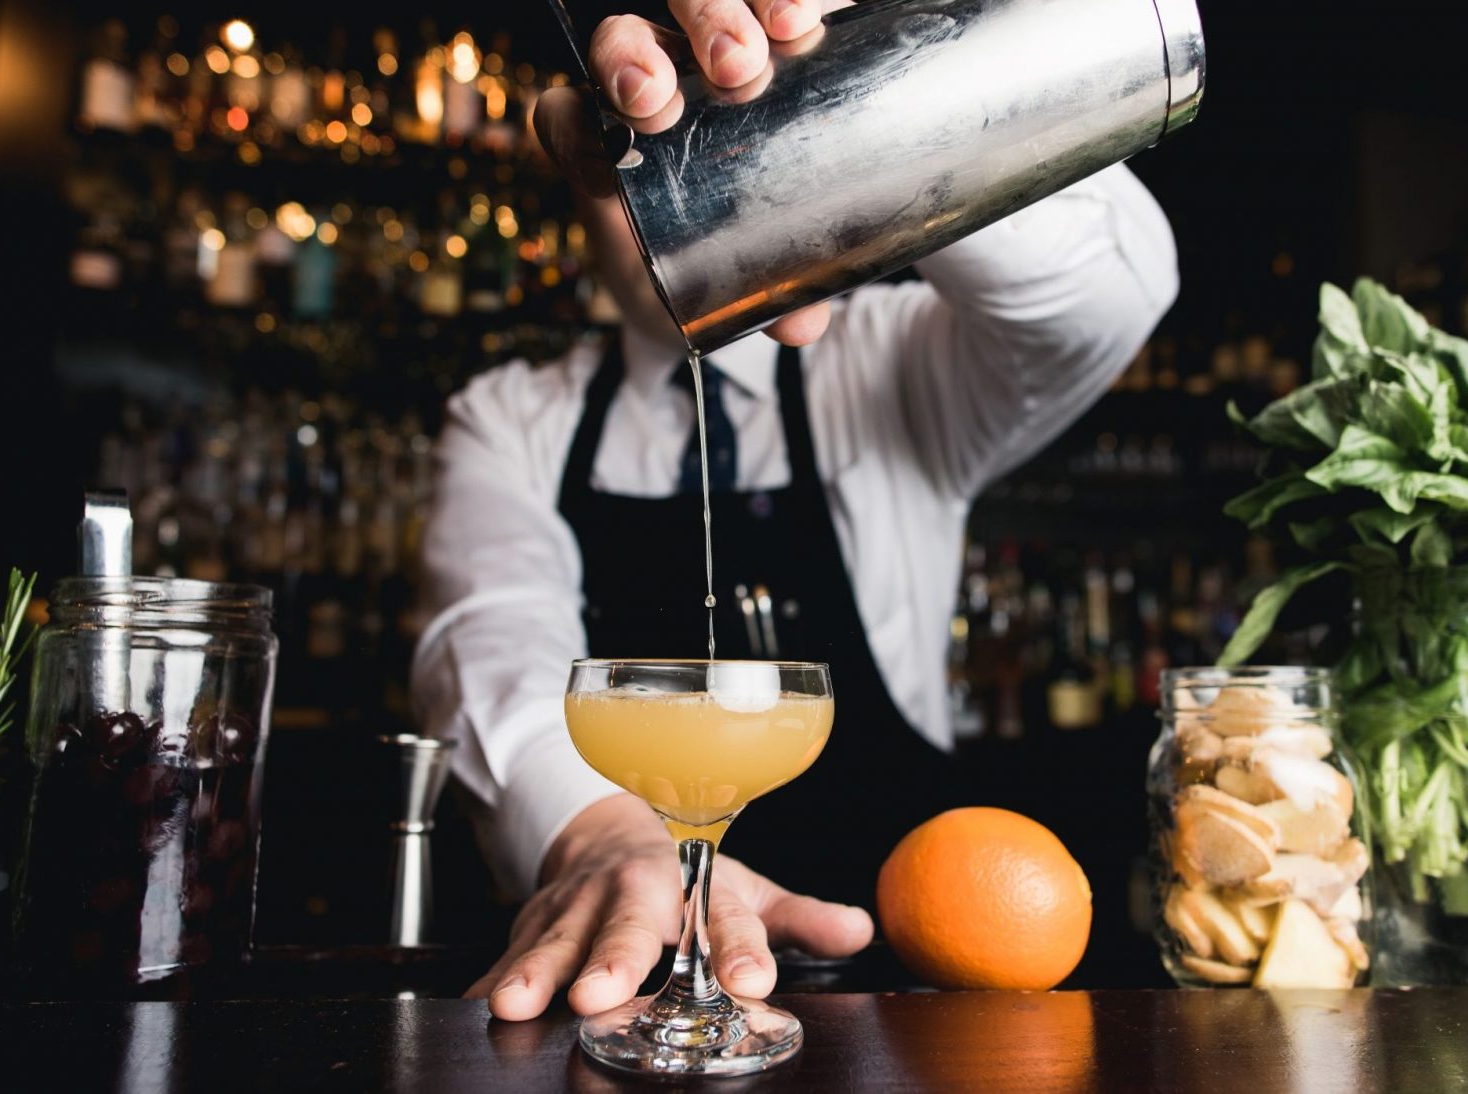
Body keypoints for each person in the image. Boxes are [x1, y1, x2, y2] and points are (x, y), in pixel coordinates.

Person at [410, 0, 1179, 1022]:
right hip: (610, 1001)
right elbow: (487, 637)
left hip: (896, 1005)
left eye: (695, 139)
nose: (667, 181)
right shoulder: (512, 417)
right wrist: (600, 832)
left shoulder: (894, 362)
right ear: (583, 169)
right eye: (635, 144)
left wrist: (863, 87)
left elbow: (1113, 293)